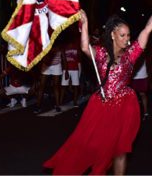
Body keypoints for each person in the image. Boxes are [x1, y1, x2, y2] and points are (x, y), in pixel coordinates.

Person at [43, 10, 152, 175]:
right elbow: (85, 47)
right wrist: (85, 23)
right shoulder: (100, 54)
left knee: (121, 151)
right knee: (97, 148)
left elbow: (147, 29)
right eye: (122, 35)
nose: (127, 39)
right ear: (113, 34)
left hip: (125, 108)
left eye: (128, 35)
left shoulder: (131, 54)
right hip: (101, 108)